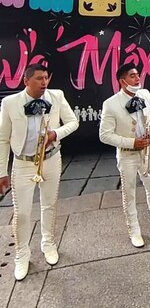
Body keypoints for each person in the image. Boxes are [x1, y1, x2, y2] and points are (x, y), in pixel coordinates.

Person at [0, 64, 79, 281]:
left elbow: (73, 122)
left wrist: (56, 133)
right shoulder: (10, 103)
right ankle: (21, 254)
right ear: (26, 81)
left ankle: (48, 243)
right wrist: (1, 172)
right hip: (23, 164)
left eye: (46, 78)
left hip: (51, 159)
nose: (44, 82)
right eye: (38, 78)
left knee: (49, 204)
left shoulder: (56, 96)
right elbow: (3, 139)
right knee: (22, 212)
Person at [99, 64, 150, 248]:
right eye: (132, 76)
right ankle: (134, 230)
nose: (137, 78)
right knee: (129, 193)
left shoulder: (145, 95)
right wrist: (132, 143)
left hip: (146, 152)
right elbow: (104, 135)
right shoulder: (111, 104)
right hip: (127, 155)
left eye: (138, 74)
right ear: (122, 81)